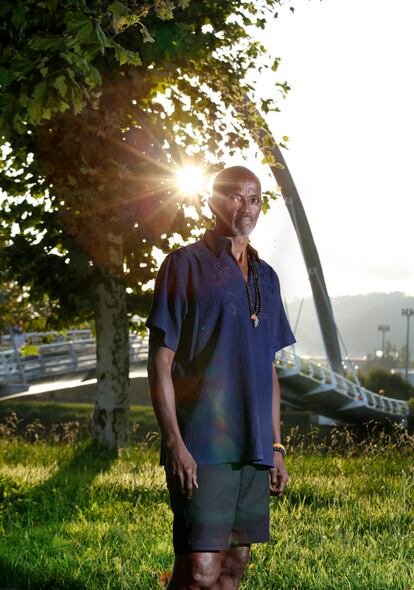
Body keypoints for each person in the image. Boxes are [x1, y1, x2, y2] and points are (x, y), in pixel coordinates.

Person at [146, 165, 296, 590]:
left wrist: (276, 446)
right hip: (202, 446)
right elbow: (159, 362)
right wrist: (175, 444)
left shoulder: (267, 278)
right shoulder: (183, 265)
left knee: (231, 570)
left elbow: (268, 369)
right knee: (199, 573)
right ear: (212, 200)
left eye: (254, 198)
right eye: (234, 196)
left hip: (253, 448)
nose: (245, 207)